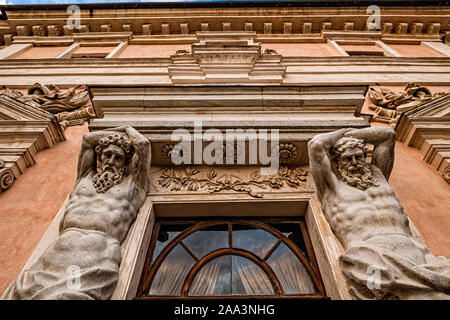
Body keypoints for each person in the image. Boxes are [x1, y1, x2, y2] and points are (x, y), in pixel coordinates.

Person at [2, 126, 150, 300]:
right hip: (56, 255)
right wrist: (118, 131)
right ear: (99, 157)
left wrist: (127, 128)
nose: (111, 161)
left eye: (118, 158)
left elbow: (143, 144)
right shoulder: (85, 177)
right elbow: (88, 139)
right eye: (107, 154)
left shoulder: (134, 186)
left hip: (97, 256)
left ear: (125, 163)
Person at [308, 127, 450, 299]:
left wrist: (352, 136)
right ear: (337, 163)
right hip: (371, 256)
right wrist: (344, 130)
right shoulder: (332, 189)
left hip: (419, 255)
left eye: (359, 157)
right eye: (347, 158)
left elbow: (387, 136)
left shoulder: (379, 177)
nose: (354, 162)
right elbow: (316, 145)